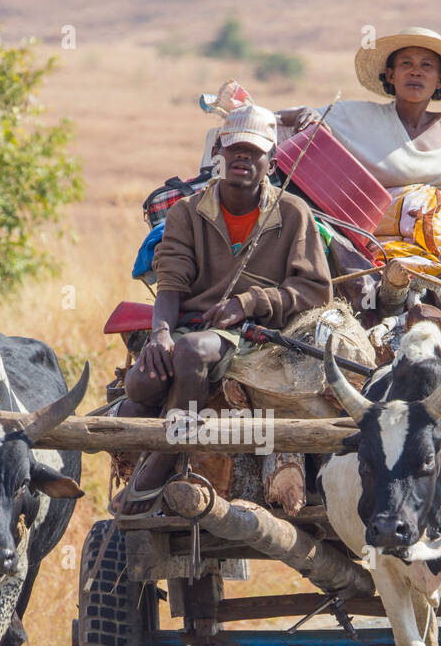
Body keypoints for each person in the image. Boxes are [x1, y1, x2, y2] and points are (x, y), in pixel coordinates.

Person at [116, 104, 332, 516]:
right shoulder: (187, 212)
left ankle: (163, 462)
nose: (243, 159)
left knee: (192, 353)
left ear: (272, 163)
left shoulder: (292, 213)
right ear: (219, 151)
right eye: (235, 150)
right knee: (140, 386)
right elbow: (171, 283)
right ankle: (152, 447)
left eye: (255, 153)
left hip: (255, 334)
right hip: (192, 326)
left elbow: (314, 289)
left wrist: (248, 303)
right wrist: (160, 332)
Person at [276, 27, 441, 361]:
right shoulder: (361, 117)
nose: (416, 71)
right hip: (378, 233)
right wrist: (304, 115)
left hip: (439, 233)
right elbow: (288, 114)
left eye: (427, 65)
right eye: (406, 63)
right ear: (390, 74)